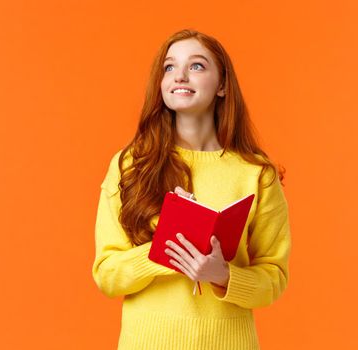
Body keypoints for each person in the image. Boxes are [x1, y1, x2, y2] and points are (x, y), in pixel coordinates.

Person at [92, 28, 292, 350]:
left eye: (197, 66)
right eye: (169, 67)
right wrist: (167, 248)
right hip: (146, 342)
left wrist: (223, 274)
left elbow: (274, 279)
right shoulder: (130, 164)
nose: (180, 76)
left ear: (223, 85)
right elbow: (107, 275)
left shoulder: (256, 173)